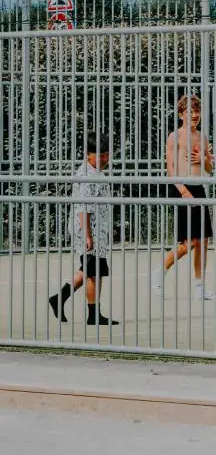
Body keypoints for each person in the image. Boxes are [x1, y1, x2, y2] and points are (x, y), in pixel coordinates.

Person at [48, 132, 119, 326]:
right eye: (100, 155)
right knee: (93, 270)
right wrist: (88, 235)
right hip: (88, 231)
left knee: (92, 270)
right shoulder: (87, 175)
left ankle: (61, 299)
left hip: (97, 230)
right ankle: (92, 313)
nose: (104, 159)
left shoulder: (96, 172)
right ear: (88, 154)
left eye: (106, 154)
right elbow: (83, 208)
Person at [154, 93, 216, 300]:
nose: (195, 115)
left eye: (197, 111)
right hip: (182, 189)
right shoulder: (175, 136)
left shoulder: (202, 137)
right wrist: (182, 190)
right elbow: (170, 168)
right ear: (182, 114)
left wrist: (204, 157)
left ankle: (200, 287)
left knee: (203, 241)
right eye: (190, 111)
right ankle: (160, 273)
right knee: (189, 242)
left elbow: (209, 168)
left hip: (199, 187)